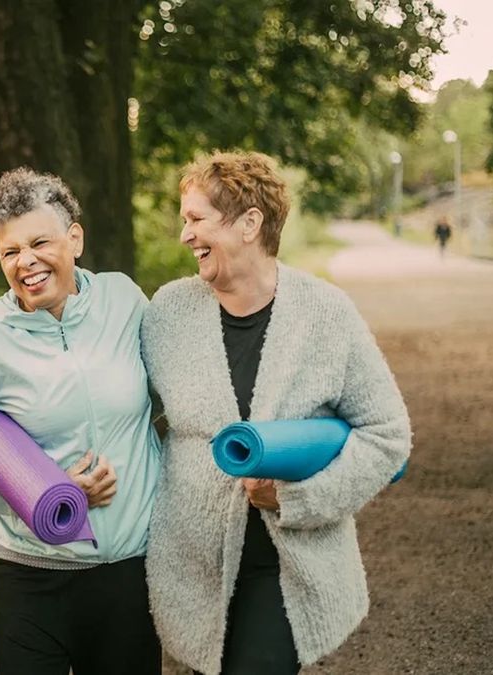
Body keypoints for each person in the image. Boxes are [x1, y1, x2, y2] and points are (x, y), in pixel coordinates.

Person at [140, 151, 412, 675]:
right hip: (189, 564)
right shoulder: (167, 312)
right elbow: (126, 412)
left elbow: (387, 433)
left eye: (196, 219)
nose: (185, 235)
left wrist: (296, 498)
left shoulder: (326, 314)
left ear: (249, 223)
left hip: (286, 564)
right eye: (184, 221)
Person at [0, 167, 163, 675]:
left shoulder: (124, 300)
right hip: (30, 581)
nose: (25, 262)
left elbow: (173, 396)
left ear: (74, 238)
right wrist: (41, 497)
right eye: (10, 252)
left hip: (129, 572)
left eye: (39, 243)